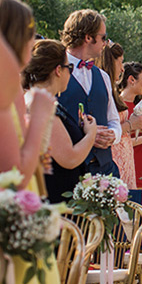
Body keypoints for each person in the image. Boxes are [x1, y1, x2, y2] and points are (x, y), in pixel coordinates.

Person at [0, 0, 63, 284]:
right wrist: (41, 114)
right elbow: (15, 172)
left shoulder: (5, 83)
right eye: (31, 34)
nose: (35, 42)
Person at [22, 39, 98, 203]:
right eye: (69, 67)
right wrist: (91, 134)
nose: (70, 73)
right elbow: (69, 158)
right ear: (58, 70)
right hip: (55, 201)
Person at [57, 9, 122, 177]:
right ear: (88, 38)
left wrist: (112, 135)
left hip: (106, 171)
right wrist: (88, 135)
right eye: (103, 37)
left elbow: (113, 119)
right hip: (68, 173)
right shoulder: (54, 71)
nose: (105, 43)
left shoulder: (103, 77)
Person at [96, 43, 142, 188]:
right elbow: (105, 130)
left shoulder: (112, 91)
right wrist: (132, 125)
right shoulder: (104, 92)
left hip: (126, 155)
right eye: (120, 62)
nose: (121, 69)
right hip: (114, 158)